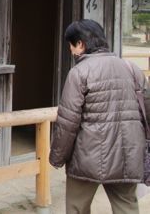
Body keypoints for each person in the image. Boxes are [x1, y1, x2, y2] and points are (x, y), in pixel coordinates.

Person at [50, 19, 147, 214]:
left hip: (87, 157)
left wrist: (57, 157)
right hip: (127, 155)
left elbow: (68, 123)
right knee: (127, 206)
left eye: (71, 45)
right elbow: (147, 111)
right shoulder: (132, 68)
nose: (71, 50)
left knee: (77, 207)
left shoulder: (79, 73)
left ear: (80, 44)